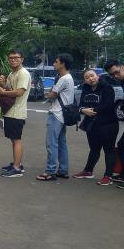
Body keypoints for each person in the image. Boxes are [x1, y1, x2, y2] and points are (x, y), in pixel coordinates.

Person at [73, 69, 118, 186]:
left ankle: (108, 176)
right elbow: (81, 103)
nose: (91, 79)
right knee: (94, 149)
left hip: (108, 124)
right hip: (92, 125)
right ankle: (88, 171)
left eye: (92, 76)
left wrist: (92, 111)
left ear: (97, 75)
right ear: (84, 80)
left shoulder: (107, 87)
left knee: (109, 150)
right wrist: (83, 110)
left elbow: (107, 105)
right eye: (87, 77)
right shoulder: (85, 88)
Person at [36, 53, 75, 181]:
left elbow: (52, 94)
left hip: (57, 114)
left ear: (62, 64)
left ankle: (50, 171)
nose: (54, 64)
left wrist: (48, 94)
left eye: (56, 61)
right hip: (63, 115)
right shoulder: (69, 78)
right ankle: (63, 170)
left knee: (51, 143)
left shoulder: (64, 78)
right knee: (61, 143)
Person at [0, 49, 31, 178]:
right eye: (10, 58)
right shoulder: (12, 73)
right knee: (13, 139)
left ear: (22, 59)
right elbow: (10, 89)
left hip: (17, 112)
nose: (13, 60)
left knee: (16, 140)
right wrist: (2, 84)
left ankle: (16, 168)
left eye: (16, 57)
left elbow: (19, 92)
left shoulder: (23, 73)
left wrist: (3, 92)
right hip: (11, 112)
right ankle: (17, 164)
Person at [103, 59, 124, 189]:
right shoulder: (122, 81)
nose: (115, 76)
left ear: (122, 67)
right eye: (112, 75)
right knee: (121, 145)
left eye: (116, 72)